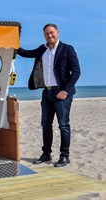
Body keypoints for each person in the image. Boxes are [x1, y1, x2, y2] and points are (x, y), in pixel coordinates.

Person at [17, 23, 81, 167]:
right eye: (46, 34)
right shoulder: (42, 49)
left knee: (63, 125)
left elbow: (76, 72)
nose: (49, 35)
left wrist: (65, 91)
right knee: (45, 125)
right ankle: (46, 154)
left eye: (51, 33)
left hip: (62, 93)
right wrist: (13, 42)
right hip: (47, 93)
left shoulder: (67, 49)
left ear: (57, 32)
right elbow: (25, 53)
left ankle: (65, 156)